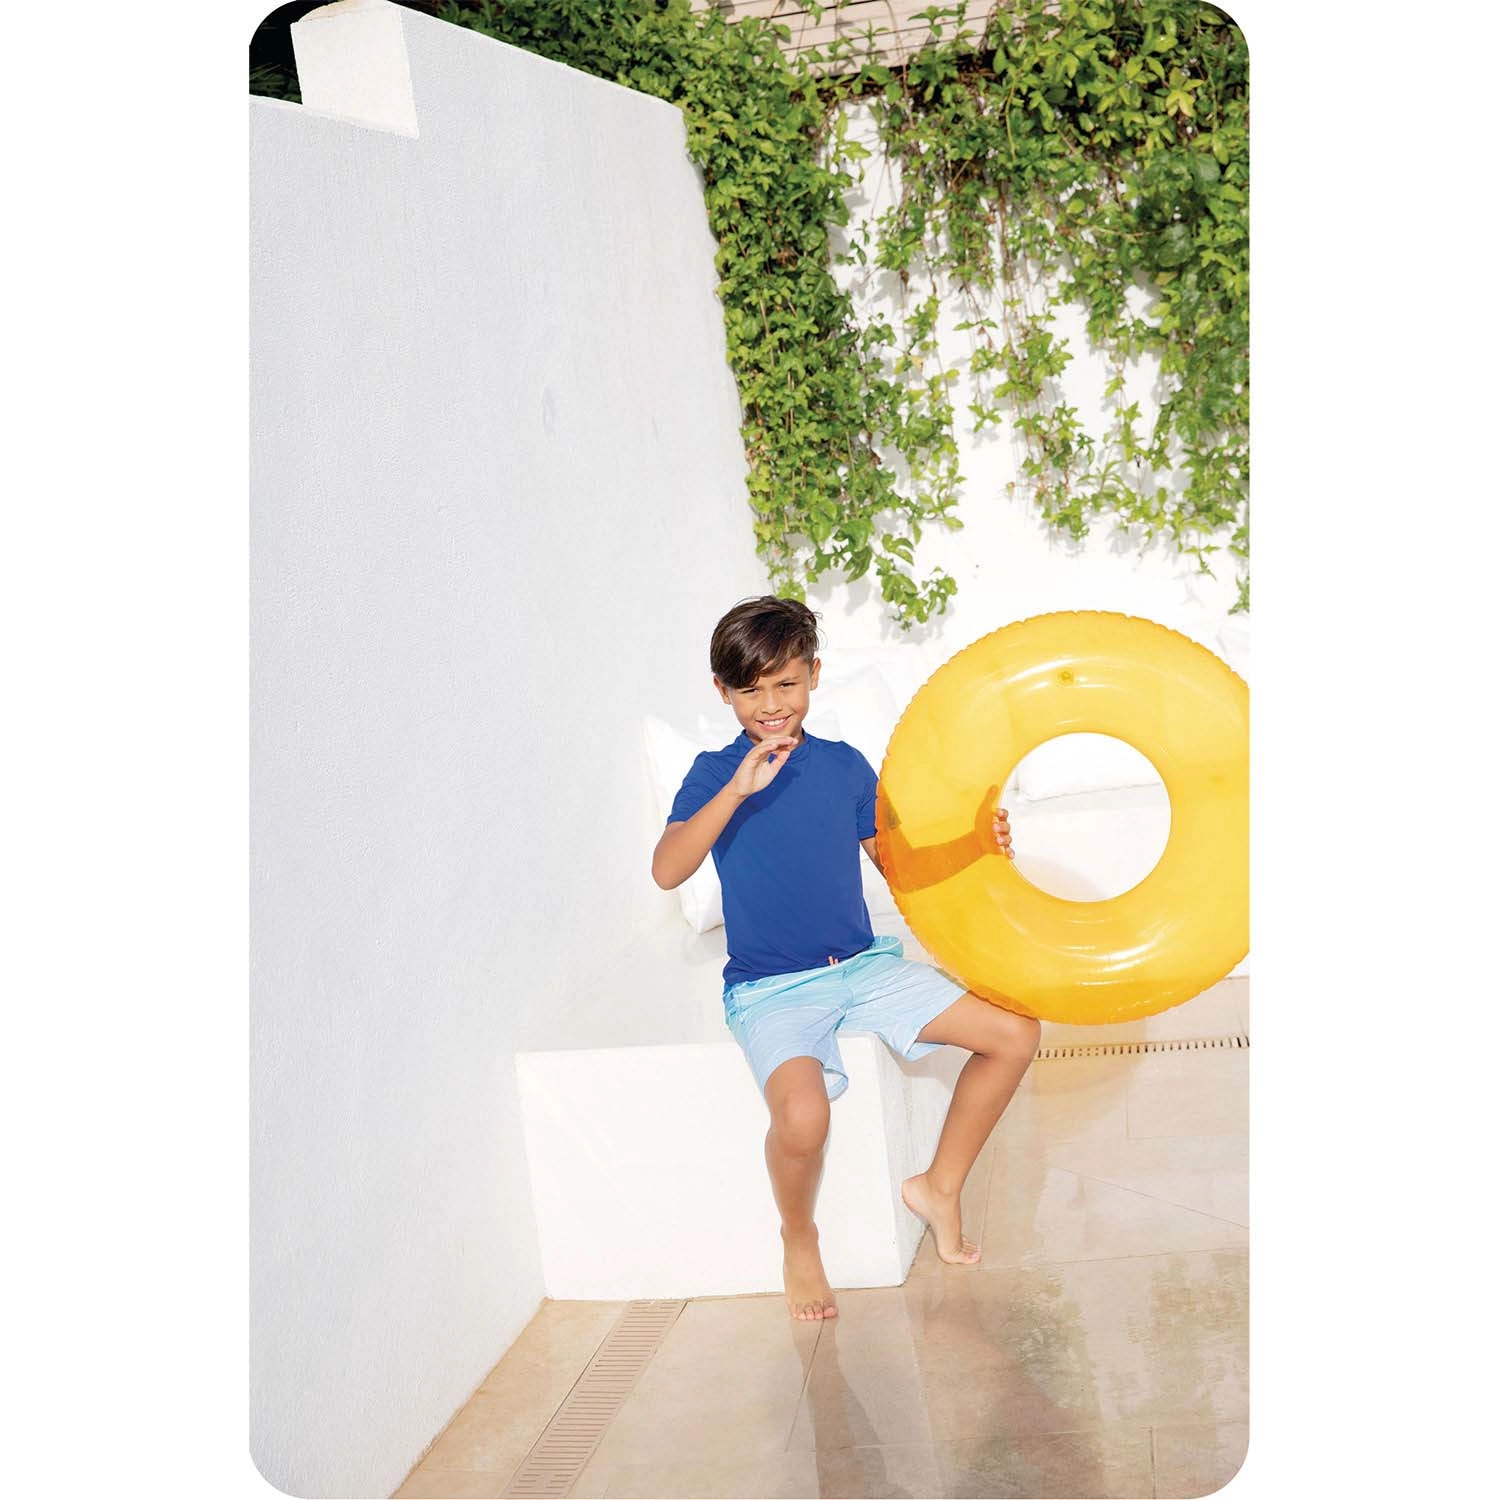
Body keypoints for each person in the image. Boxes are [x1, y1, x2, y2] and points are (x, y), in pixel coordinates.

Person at [651, 596, 1042, 1322]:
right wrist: (737, 790)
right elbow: (668, 869)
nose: (772, 705)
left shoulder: (843, 766)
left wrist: (976, 846)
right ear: (723, 692)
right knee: (803, 1120)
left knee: (1015, 1035)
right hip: (771, 988)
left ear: (814, 675)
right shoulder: (714, 773)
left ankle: (940, 1186)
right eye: (751, 690)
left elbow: (900, 867)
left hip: (863, 969)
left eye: (787, 683)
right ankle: (799, 1237)